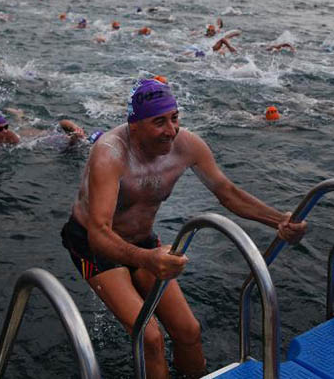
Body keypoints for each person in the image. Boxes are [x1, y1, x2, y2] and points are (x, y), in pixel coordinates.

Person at [60, 79, 307, 378]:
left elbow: (226, 192)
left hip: (143, 242)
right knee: (150, 338)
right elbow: (98, 233)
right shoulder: (110, 153)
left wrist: (278, 219)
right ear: (134, 125)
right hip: (92, 245)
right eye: (159, 122)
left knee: (189, 330)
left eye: (175, 118)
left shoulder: (187, 145)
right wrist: (147, 259)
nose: (171, 130)